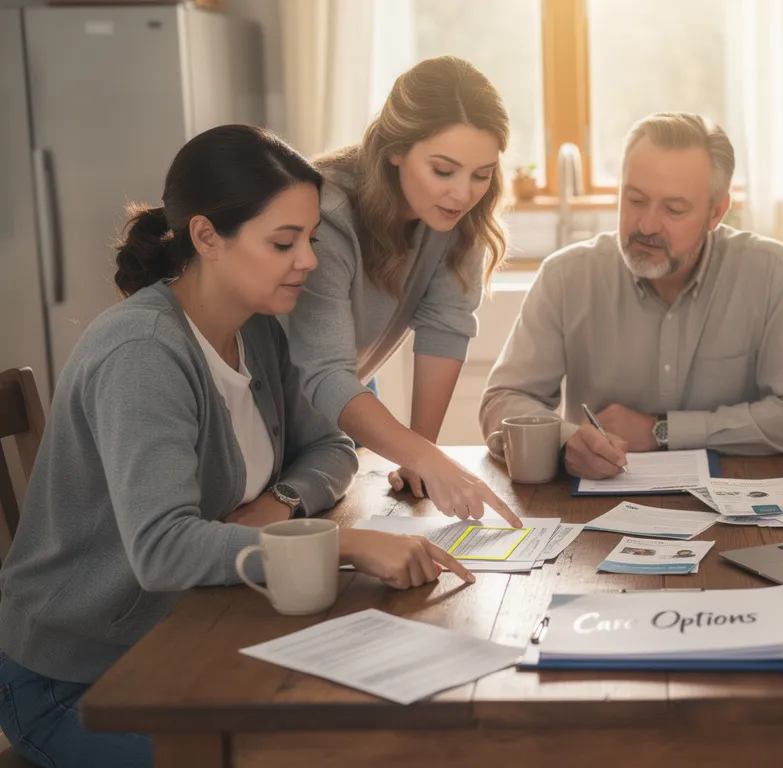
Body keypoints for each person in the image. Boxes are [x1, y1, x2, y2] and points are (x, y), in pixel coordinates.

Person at [0, 125, 476, 768]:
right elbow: (164, 550)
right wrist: (345, 544)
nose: (307, 260)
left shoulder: (260, 333)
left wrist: (281, 502)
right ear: (205, 237)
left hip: (193, 638)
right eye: (284, 242)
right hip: (82, 680)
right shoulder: (143, 353)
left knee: (382, 736)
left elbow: (333, 447)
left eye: (310, 239)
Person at [480, 112, 783, 480]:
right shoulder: (567, 276)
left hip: (738, 508)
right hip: (595, 507)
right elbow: (503, 400)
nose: (647, 226)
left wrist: (661, 431)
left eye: (674, 209)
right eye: (634, 200)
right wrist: (566, 441)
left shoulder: (771, 273)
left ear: (716, 212)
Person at [284, 55, 518, 526]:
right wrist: (432, 462)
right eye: (443, 169)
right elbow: (326, 372)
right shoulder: (324, 210)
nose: (462, 194)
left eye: (481, 173)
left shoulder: (461, 216)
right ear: (395, 149)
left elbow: (444, 329)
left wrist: (419, 457)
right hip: (267, 412)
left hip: (327, 430)